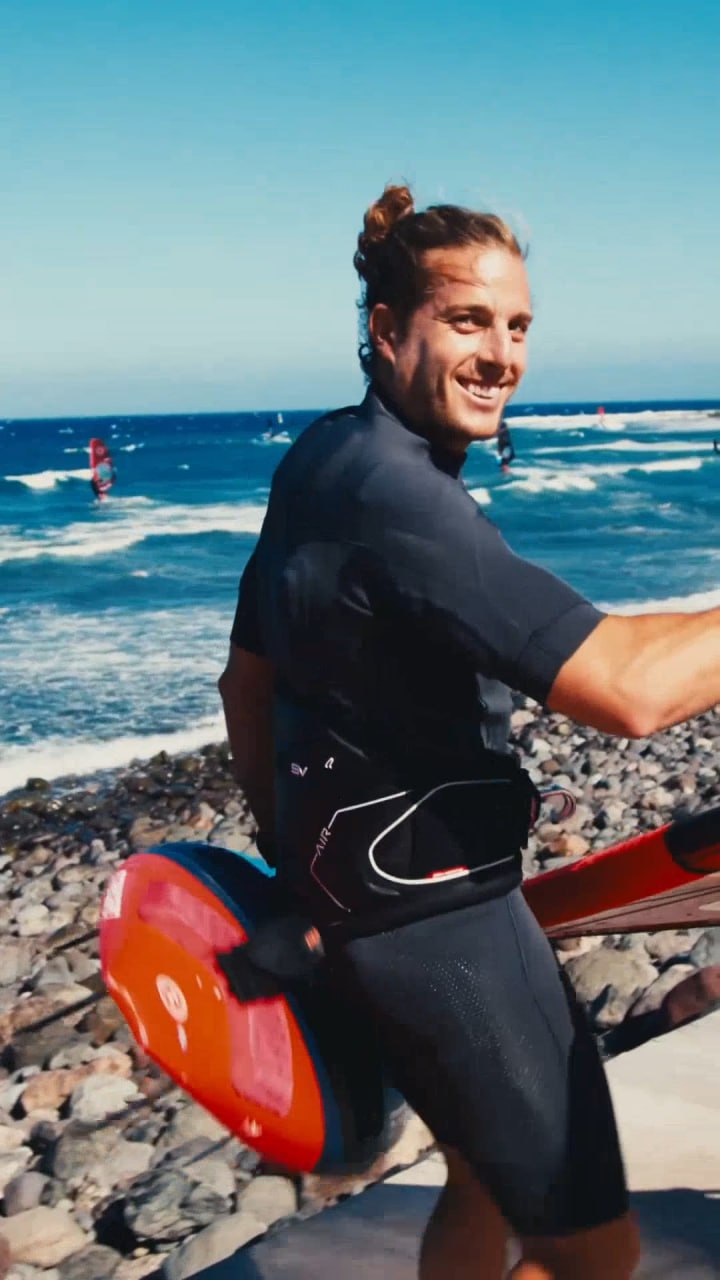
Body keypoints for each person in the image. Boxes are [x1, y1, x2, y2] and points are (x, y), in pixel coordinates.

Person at [219, 184, 720, 1279]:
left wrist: (302, 869)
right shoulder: (399, 499)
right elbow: (628, 690)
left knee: (482, 1181)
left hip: (375, 922)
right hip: (450, 934)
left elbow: (242, 685)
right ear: (386, 328)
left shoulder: (322, 459)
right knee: (594, 1249)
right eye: (467, 321)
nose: (501, 355)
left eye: (518, 326)